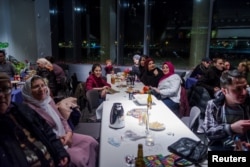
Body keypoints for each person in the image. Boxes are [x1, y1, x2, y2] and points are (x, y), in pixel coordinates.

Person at [22, 75, 99, 167]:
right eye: (36, 86)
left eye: (43, 85)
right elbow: (38, 136)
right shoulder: (27, 110)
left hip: (65, 134)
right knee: (78, 159)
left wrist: (69, 133)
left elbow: (62, 119)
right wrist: (59, 141)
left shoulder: (48, 101)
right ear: (28, 91)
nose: (41, 89)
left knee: (91, 142)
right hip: (53, 144)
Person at [0, 72, 70, 166]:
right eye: (36, 86)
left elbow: (48, 132)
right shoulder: (30, 106)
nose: (1, 95)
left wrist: (60, 152)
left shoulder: (22, 110)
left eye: (5, 89)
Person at [203, 70, 250, 151]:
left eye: (245, 87)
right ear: (224, 91)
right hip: (220, 147)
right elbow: (209, 132)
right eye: (238, 89)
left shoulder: (248, 104)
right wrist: (231, 128)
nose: (244, 92)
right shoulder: (214, 105)